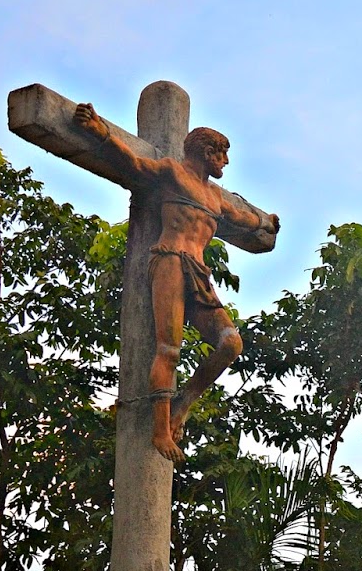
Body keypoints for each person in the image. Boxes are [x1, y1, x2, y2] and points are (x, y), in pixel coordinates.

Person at [74, 103, 278, 464]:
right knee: (169, 349)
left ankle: (183, 402)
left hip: (198, 271)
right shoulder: (171, 172)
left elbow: (246, 221)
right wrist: (99, 131)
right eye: (223, 155)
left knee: (231, 344)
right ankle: (159, 430)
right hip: (168, 260)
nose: (226, 163)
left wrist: (266, 220)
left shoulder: (216, 197)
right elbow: (135, 164)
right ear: (207, 151)